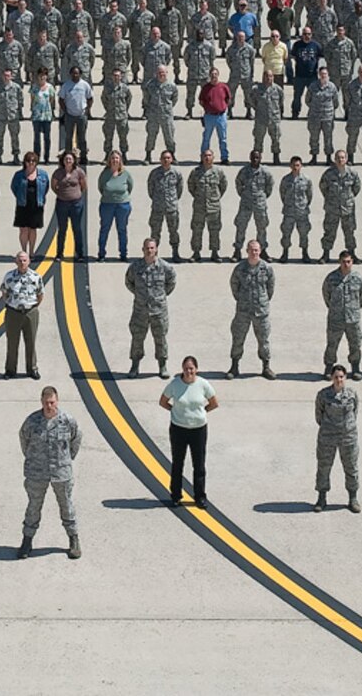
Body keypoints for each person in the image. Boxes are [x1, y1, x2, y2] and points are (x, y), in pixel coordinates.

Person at [17, 385, 83, 559]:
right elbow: (24, 440)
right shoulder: (32, 421)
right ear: (41, 402)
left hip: (61, 473)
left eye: (52, 402)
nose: (49, 406)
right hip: (37, 473)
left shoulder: (67, 420)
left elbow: (76, 440)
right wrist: (34, 460)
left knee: (67, 506)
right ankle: (27, 541)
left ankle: (73, 539)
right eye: (46, 402)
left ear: (57, 401)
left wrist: (66, 460)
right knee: (33, 507)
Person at [159, 355, 217, 508]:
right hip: (179, 429)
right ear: (182, 370)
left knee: (199, 464)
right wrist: (175, 411)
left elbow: (214, 403)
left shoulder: (203, 384)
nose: (188, 371)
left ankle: (200, 497)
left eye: (191, 368)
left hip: (198, 430)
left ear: (196, 369)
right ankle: (176, 495)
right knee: (178, 463)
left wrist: (201, 413)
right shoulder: (175, 384)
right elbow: (163, 401)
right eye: (186, 369)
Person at [125, 237, 176, 379]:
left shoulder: (165, 267)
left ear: (156, 249)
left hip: (159, 311)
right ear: (143, 250)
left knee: (160, 338)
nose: (149, 251)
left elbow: (171, 283)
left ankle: (162, 365)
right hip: (140, 310)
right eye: (147, 248)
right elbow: (129, 282)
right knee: (137, 338)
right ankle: (135, 365)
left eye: (152, 248)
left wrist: (160, 297)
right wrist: (140, 295)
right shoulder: (135, 267)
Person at [227, 239, 277, 380]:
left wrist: (263, 301)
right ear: (247, 251)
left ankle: (266, 367)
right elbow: (234, 285)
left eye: (256, 250)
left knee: (264, 340)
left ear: (260, 251)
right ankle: (234, 366)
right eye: (251, 250)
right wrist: (242, 299)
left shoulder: (267, 268)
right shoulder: (240, 268)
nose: (254, 253)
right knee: (238, 338)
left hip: (261, 311)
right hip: (243, 310)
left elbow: (270, 288)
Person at [314, 365, 360, 513]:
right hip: (327, 437)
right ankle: (322, 497)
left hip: (348, 437)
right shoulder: (323, 395)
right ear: (332, 378)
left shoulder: (352, 394)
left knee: (351, 467)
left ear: (345, 378)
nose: (339, 380)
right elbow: (318, 415)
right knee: (324, 467)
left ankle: (353, 498)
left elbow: (355, 411)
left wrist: (347, 428)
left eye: (341, 377)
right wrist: (329, 428)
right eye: (336, 377)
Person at [322, 249, 362, 378]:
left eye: (349, 261)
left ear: (352, 262)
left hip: (353, 319)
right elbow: (326, 295)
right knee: (332, 344)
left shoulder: (358, 278)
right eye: (343, 262)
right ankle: (329, 367)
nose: (346, 264)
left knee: (355, 344)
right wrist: (334, 309)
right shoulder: (331, 278)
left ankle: (356, 367)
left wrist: (354, 310)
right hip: (336, 318)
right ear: (339, 262)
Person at [1, 250, 45, 379]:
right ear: (16, 261)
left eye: (24, 260)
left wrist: (32, 306)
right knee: (12, 342)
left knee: (31, 341)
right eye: (19, 260)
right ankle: (10, 370)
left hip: (30, 312)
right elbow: (4, 293)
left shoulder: (36, 277)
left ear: (29, 261)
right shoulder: (9, 276)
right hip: (13, 313)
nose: (22, 262)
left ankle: (32, 369)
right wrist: (12, 304)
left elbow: (40, 294)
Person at [146, 150, 184, 261]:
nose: (166, 160)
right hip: (157, 207)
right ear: (160, 160)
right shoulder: (154, 173)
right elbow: (150, 189)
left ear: (171, 159)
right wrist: (157, 200)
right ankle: (153, 255)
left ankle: (175, 252)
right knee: (155, 232)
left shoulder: (176, 174)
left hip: (171, 207)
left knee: (173, 231)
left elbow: (179, 190)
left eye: (168, 158)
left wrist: (173, 200)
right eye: (164, 158)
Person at [50, 150, 88, 257]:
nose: (68, 161)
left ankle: (79, 253)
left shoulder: (79, 172)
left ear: (74, 160)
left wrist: (76, 194)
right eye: (66, 159)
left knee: (77, 228)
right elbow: (53, 186)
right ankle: (59, 253)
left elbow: (84, 186)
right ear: (63, 160)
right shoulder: (58, 172)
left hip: (76, 204)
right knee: (62, 229)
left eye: (70, 159)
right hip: (62, 204)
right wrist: (61, 194)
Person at [278, 155, 314, 262]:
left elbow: (309, 195)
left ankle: (305, 253)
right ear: (290, 166)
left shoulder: (306, 180)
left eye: (298, 165)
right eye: (293, 165)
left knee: (304, 233)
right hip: (289, 211)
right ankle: (285, 253)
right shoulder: (285, 180)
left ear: (301, 166)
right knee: (286, 233)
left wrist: (304, 205)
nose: (295, 167)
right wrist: (288, 204)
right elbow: (282, 194)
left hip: (302, 212)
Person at [11, 153, 48, 256]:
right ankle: (24, 251)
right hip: (23, 205)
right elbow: (14, 187)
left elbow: (46, 188)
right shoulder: (19, 175)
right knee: (23, 230)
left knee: (33, 230)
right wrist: (20, 197)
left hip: (36, 206)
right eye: (28, 161)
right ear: (25, 162)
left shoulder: (43, 175)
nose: (31, 163)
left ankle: (32, 252)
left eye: (33, 161)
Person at [58, 65, 93, 160]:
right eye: (73, 73)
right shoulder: (66, 85)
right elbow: (61, 99)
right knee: (68, 137)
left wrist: (87, 110)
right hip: (69, 115)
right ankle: (68, 157)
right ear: (70, 74)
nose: (75, 75)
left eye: (77, 73)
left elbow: (90, 98)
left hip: (81, 115)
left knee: (82, 138)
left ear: (80, 74)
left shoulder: (85, 85)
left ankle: (83, 157)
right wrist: (65, 111)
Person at [197, 70, 231, 162]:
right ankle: (204, 158)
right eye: (212, 74)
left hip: (221, 116)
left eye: (215, 74)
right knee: (206, 138)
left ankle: (224, 158)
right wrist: (208, 108)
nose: (214, 76)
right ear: (209, 75)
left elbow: (228, 99)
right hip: (209, 116)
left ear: (218, 75)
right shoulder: (206, 88)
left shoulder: (223, 87)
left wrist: (221, 107)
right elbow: (201, 101)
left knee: (223, 139)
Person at [29, 70, 55, 158]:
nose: (42, 77)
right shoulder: (34, 87)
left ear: (46, 77)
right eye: (40, 75)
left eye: (44, 75)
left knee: (47, 138)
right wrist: (32, 111)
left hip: (47, 115)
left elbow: (51, 100)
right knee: (37, 138)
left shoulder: (50, 87)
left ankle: (46, 157)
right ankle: (37, 156)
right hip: (36, 116)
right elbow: (32, 100)